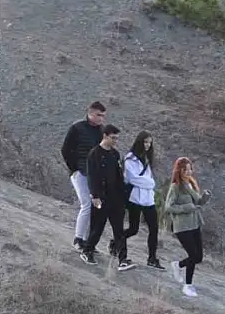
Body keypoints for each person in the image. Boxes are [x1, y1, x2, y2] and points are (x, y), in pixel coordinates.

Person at [80, 124, 134, 271]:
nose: (115, 141)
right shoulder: (94, 154)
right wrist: (95, 196)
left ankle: (123, 259)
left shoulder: (115, 154)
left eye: (117, 138)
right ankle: (87, 250)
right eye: (113, 138)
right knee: (97, 227)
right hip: (101, 198)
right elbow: (92, 177)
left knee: (119, 231)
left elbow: (118, 176)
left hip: (116, 198)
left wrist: (124, 196)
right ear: (105, 136)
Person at [60, 101, 107, 253]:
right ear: (90, 113)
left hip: (94, 174)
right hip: (80, 172)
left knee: (96, 206)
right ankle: (78, 239)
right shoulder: (77, 128)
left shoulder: (101, 131)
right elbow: (66, 149)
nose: (101, 118)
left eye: (103, 116)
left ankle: (89, 241)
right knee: (86, 204)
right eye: (99, 115)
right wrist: (74, 168)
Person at [165, 157, 211, 297]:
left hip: (195, 223)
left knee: (198, 257)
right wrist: (187, 207)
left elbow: (198, 203)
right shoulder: (175, 187)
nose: (188, 172)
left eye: (190, 169)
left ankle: (178, 265)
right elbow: (168, 207)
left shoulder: (190, 183)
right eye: (185, 169)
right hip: (182, 226)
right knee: (193, 255)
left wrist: (205, 197)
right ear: (179, 170)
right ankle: (188, 285)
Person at [118, 131, 163, 269]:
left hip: (148, 199)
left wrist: (148, 183)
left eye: (150, 142)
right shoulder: (130, 158)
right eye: (145, 142)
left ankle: (152, 258)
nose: (148, 145)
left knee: (154, 228)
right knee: (133, 229)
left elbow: (145, 179)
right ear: (139, 142)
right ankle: (116, 242)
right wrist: (150, 183)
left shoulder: (147, 159)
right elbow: (133, 178)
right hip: (135, 198)